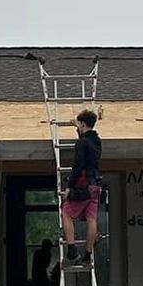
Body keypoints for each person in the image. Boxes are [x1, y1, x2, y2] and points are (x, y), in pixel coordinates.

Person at [61, 109, 102, 265]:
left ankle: (72, 252)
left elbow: (77, 166)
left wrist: (69, 187)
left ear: (83, 124)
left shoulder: (82, 143)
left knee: (66, 213)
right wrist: (76, 128)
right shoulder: (97, 141)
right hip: (95, 184)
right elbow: (86, 141)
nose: (77, 127)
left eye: (79, 124)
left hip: (82, 185)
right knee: (91, 219)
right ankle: (87, 255)